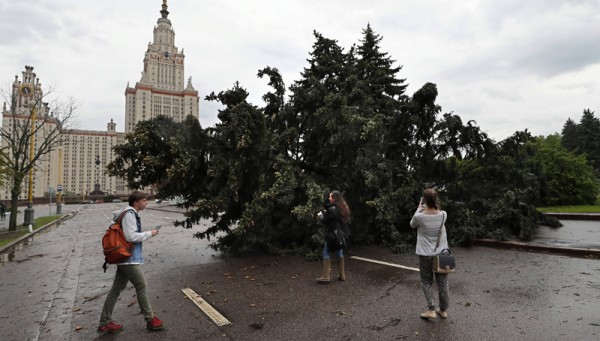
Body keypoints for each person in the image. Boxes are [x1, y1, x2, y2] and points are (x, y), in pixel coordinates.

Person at [98, 191, 164, 334]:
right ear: (136, 202)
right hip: (129, 258)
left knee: (116, 290)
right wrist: (150, 233)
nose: (146, 202)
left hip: (125, 257)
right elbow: (131, 236)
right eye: (144, 200)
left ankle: (104, 322)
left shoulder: (129, 213)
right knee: (141, 285)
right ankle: (150, 319)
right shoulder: (130, 214)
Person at [410, 188, 450, 320]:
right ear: (436, 199)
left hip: (425, 254)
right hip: (442, 254)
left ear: (424, 200)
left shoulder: (419, 216)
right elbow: (436, 211)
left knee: (426, 281)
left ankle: (431, 309)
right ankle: (443, 310)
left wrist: (418, 208)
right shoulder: (443, 214)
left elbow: (412, 225)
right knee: (443, 282)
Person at [316, 190, 350, 284]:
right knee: (339, 253)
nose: (329, 198)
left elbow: (326, 221)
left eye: (331, 197)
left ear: (334, 198)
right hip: (341, 235)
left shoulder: (332, 209)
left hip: (332, 234)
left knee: (326, 252)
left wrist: (320, 216)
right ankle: (342, 275)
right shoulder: (343, 207)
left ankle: (326, 276)